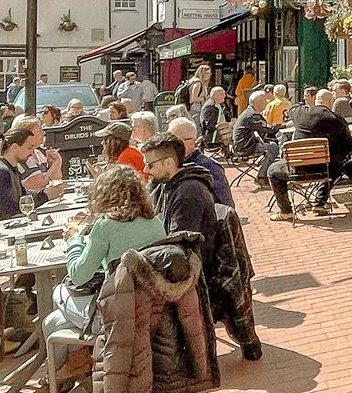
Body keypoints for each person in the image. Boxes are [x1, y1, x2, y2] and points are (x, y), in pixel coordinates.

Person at [143, 135, 261, 358]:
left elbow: (179, 243)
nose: (146, 169)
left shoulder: (188, 192)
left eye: (150, 164)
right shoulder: (164, 186)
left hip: (201, 272)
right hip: (193, 263)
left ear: (169, 163)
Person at [49, 165, 164, 332]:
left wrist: (74, 240)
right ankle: (78, 356)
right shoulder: (155, 222)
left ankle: (80, 354)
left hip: (118, 313)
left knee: (58, 291)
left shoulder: (106, 225)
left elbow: (78, 276)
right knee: (51, 323)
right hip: (152, 309)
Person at [268, 90, 352, 220]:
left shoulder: (301, 113)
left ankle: (286, 211)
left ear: (315, 101)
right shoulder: (337, 121)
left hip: (298, 169)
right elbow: (348, 148)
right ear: (331, 102)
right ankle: (319, 201)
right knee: (337, 164)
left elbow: (291, 110)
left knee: (272, 170)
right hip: (325, 170)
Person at [169, 117, 235, 211]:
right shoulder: (169, 164)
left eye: (172, 141)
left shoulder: (209, 167)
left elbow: (226, 206)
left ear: (191, 141)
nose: (168, 146)